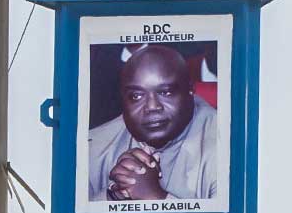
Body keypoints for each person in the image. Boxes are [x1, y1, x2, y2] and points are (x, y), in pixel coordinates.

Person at [85, 45, 221, 204]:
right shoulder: (91, 149)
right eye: (136, 96)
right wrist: (115, 196)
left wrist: (155, 198)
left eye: (165, 92)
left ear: (190, 89)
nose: (152, 106)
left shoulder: (228, 147)